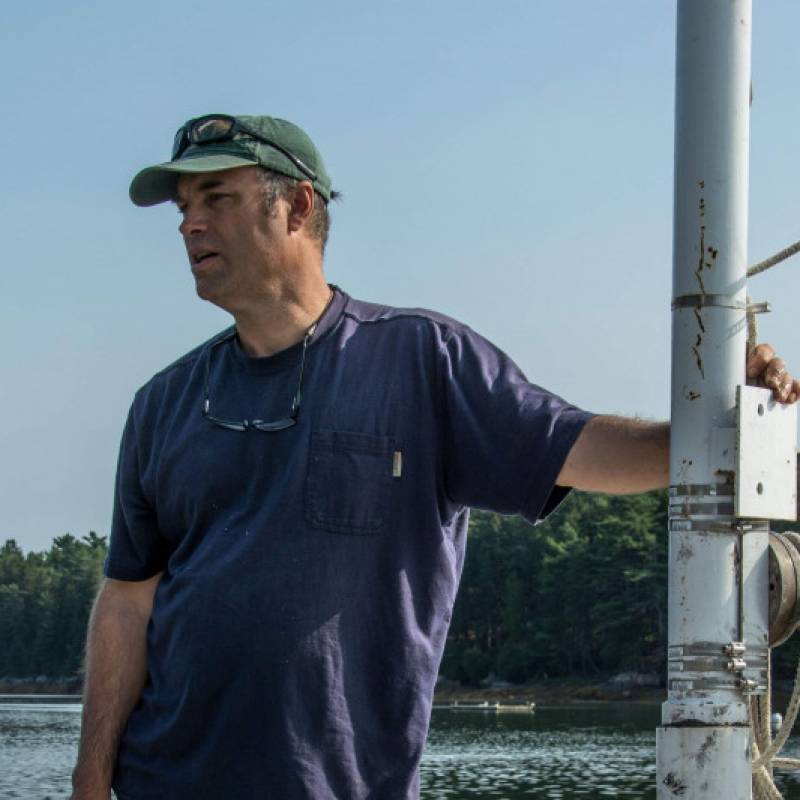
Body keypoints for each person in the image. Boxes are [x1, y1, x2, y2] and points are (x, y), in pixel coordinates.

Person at [69, 114, 799, 800]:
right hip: (162, 781)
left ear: (296, 206)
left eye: (216, 198)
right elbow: (129, 601)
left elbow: (586, 450)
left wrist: (729, 418)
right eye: (184, 208)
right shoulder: (162, 403)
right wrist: (90, 778)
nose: (190, 223)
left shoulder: (423, 360)